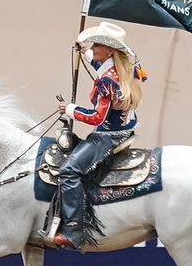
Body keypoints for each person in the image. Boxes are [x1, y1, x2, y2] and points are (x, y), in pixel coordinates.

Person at [53, 21, 148, 250]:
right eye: (94, 44)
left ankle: (74, 229)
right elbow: (100, 66)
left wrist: (70, 110)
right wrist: (85, 51)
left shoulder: (107, 80)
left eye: (98, 45)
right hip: (126, 129)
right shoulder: (122, 70)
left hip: (108, 135)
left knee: (69, 171)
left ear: (110, 50)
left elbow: (97, 118)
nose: (94, 47)